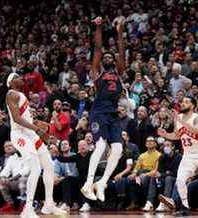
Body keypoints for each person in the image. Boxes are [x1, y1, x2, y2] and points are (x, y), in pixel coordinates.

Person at [6, 73, 66, 218]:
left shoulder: (23, 96)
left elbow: (27, 119)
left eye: (21, 76)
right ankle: (28, 208)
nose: (21, 78)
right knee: (35, 167)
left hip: (30, 134)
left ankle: (49, 205)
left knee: (49, 166)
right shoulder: (11, 94)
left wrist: (39, 125)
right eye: (17, 77)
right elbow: (16, 118)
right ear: (11, 82)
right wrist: (36, 128)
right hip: (19, 134)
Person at [80, 17, 125, 202]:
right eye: (105, 57)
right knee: (99, 146)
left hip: (113, 114)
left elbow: (121, 52)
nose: (107, 57)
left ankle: (102, 182)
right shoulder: (97, 72)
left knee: (118, 149)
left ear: (113, 62)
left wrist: (120, 33)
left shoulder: (119, 72)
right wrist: (98, 28)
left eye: (110, 57)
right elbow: (98, 48)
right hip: (98, 112)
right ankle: (88, 183)